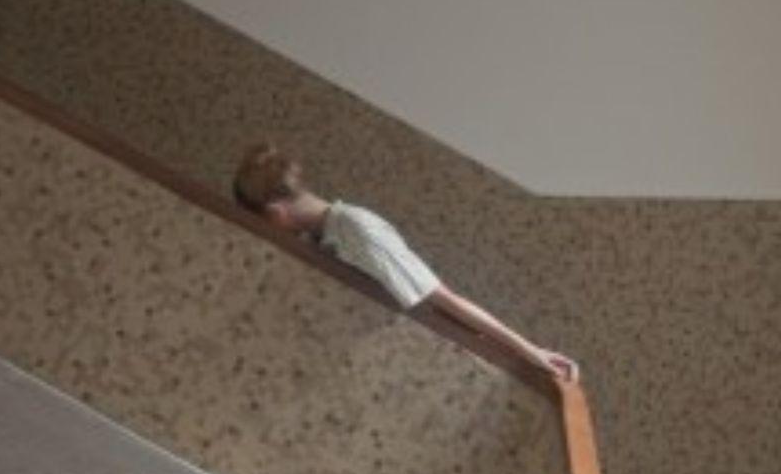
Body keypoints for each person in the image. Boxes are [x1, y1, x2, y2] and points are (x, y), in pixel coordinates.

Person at [232, 143, 578, 381]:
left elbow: (441, 298)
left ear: (275, 213)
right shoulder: (322, 235)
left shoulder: (356, 230)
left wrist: (530, 353)